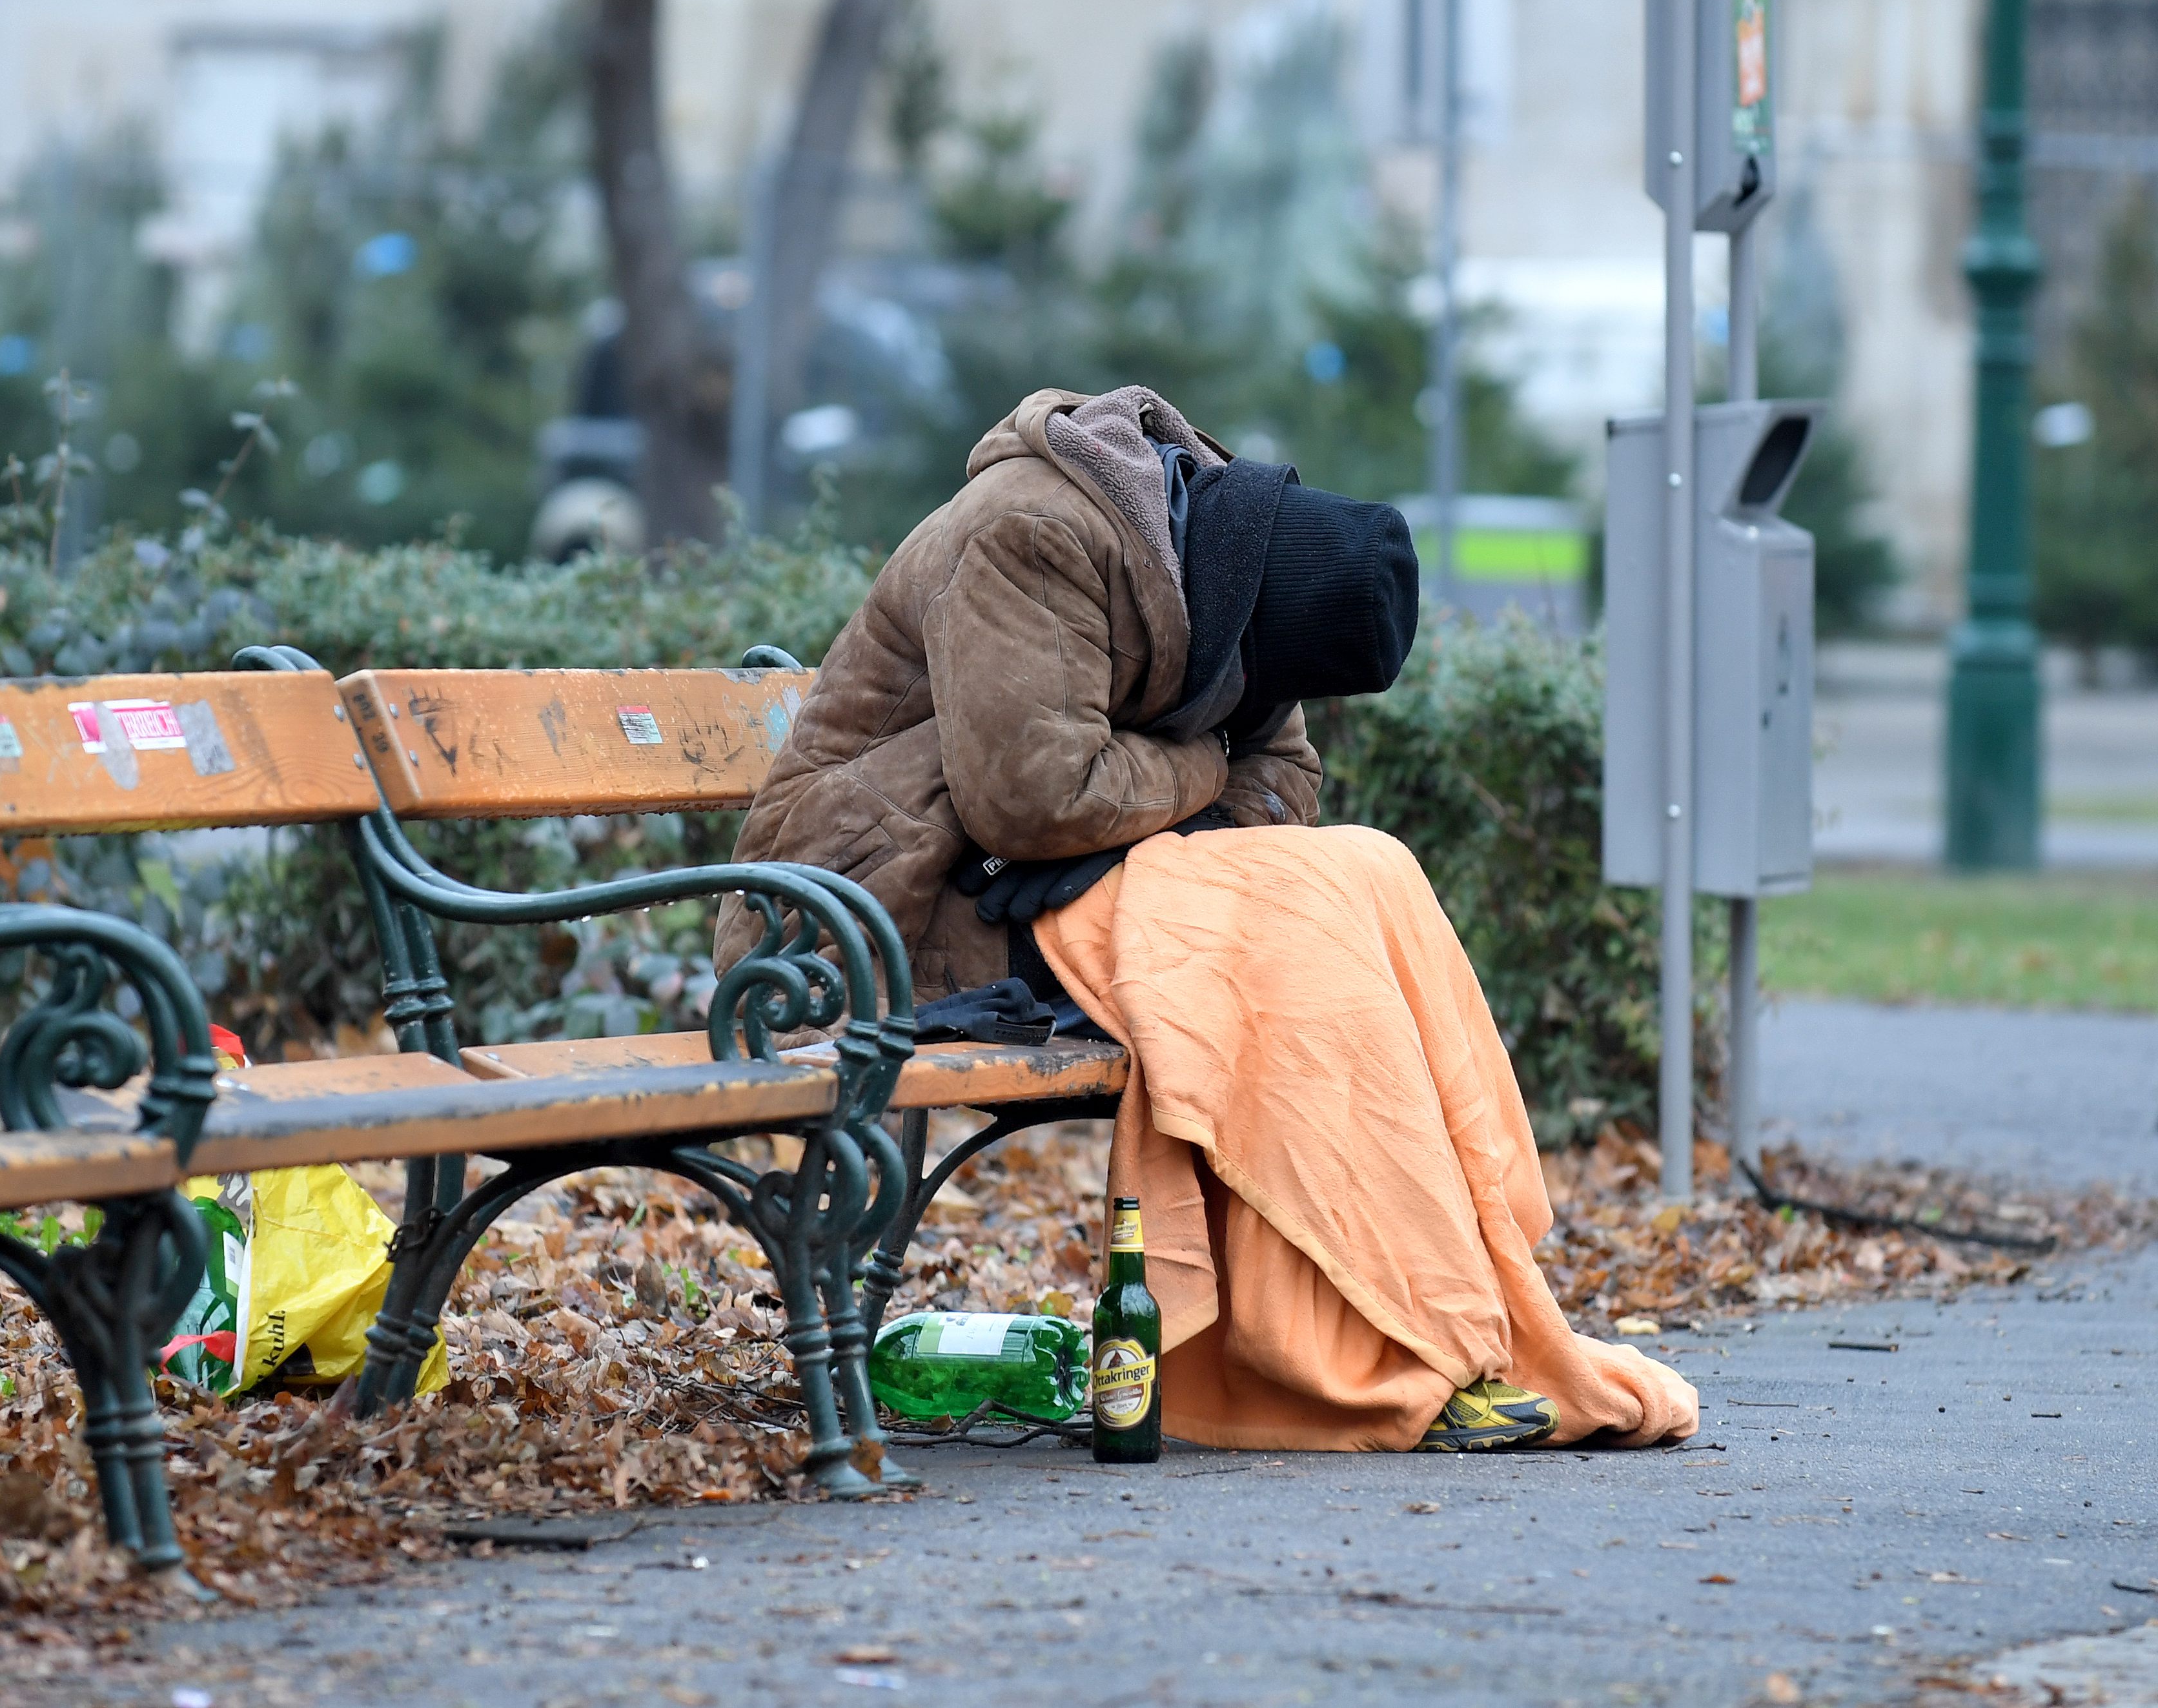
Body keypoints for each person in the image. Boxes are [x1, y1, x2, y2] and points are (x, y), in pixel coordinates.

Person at [718, 385, 1698, 1454]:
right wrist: (1200, 769)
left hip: (1037, 886)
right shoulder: (1035, 534)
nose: (1254, 702)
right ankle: (1370, 1339)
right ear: (1248, 590)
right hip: (872, 915)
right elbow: (1035, 796)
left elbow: (1284, 787)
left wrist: (1158, 804)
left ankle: (1450, 1310)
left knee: (1363, 872)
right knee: (1285, 927)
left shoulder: (1227, 577)